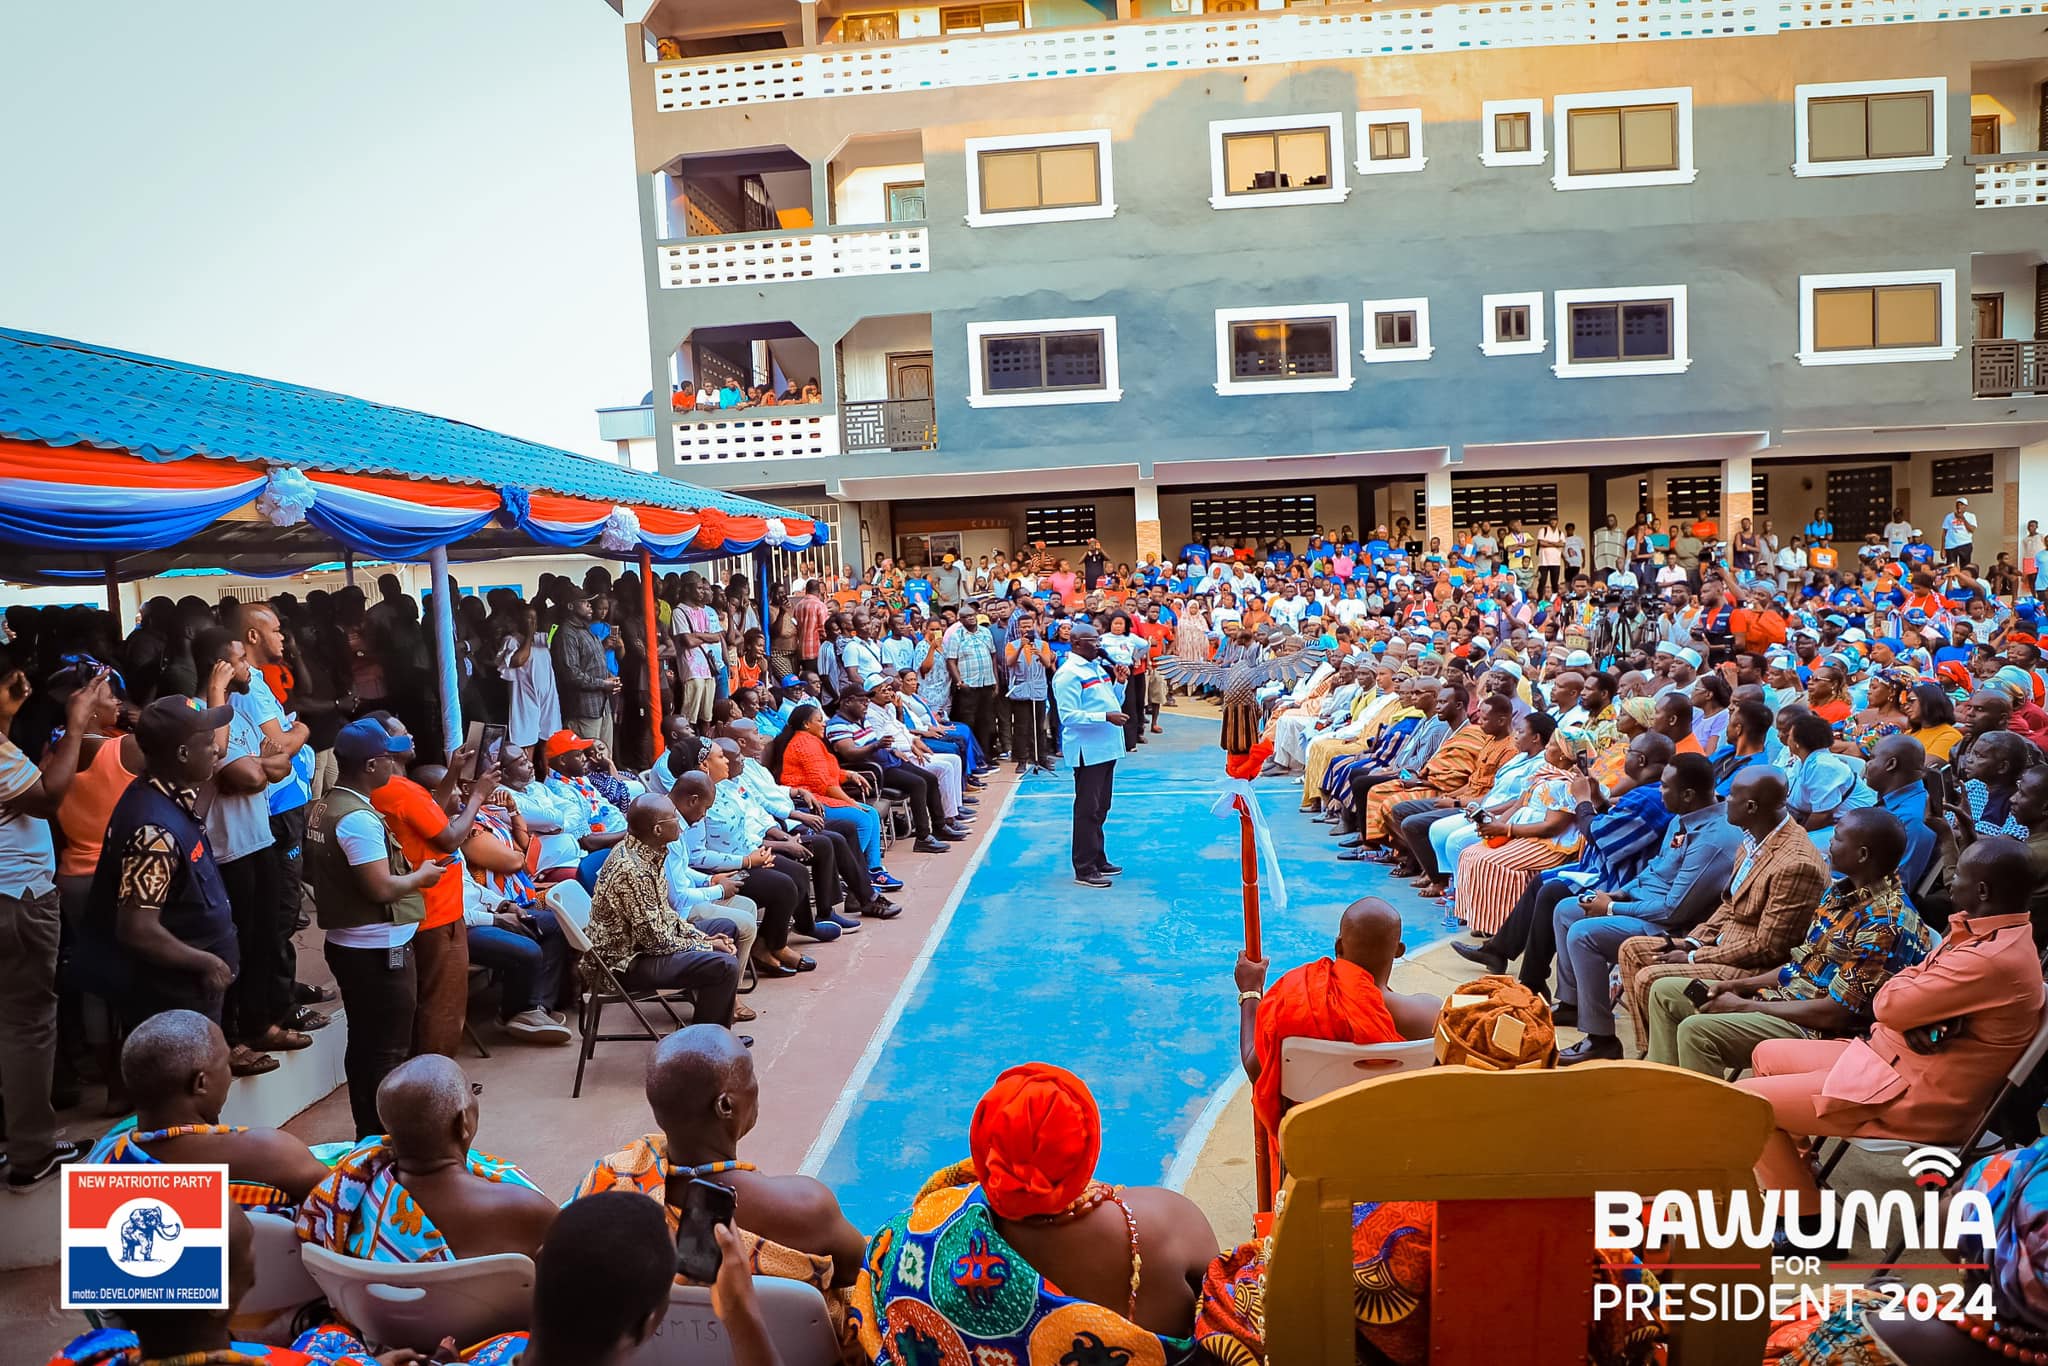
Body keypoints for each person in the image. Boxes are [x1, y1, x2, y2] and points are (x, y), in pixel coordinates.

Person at [1740, 837, 2046, 1239]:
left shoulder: (1991, 957)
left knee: (1749, 1105)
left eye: (1961, 878)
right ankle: (1799, 1184)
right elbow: (1906, 995)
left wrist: (1905, 1008)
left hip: (1915, 1094)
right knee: (1767, 1053)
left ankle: (1806, 1227)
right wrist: (1913, 1010)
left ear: (1983, 891)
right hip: (1888, 1060)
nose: (1950, 885)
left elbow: (1885, 1004)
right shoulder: (1990, 935)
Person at [854, 1063, 1220, 1366]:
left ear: (981, 1152)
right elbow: (1226, 1322)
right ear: (1088, 1150)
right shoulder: (1171, 1223)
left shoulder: (923, 1233)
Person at [575, 1025, 867, 1350]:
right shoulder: (805, 1207)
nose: (756, 1084)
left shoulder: (610, 1179)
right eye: (750, 1072)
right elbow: (866, 1270)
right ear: (725, 1106)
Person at [1646, 807, 1928, 1076]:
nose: (1830, 840)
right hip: (1784, 1002)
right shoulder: (1841, 893)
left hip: (1817, 1031)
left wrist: (1744, 1005)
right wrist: (1738, 986)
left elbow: (1837, 1014)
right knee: (1664, 991)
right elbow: (1799, 966)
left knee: (1697, 1031)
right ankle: (1667, 1094)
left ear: (1862, 854)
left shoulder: (1884, 923)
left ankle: (1703, 1120)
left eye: (1838, 837)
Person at [1612, 766, 1831, 1054]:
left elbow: (1768, 948)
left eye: (1731, 797)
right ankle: (1655, 1051)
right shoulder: (1753, 836)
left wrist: (1693, 956)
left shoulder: (1796, 864)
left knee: (1652, 977)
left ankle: (1666, 1060)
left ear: (1751, 807)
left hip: (1753, 967)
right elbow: (1729, 903)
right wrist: (1692, 940)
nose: (1722, 799)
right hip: (1724, 945)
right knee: (1633, 950)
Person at [1548, 752, 1746, 1062]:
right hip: (1643, 904)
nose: (1659, 791)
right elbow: (1654, 869)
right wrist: (1617, 895)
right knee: (1565, 909)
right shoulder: (1684, 816)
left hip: (1667, 926)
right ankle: (1575, 1005)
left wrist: (1611, 910)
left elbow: (1674, 911)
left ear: (1688, 794)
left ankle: (1600, 1038)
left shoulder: (1714, 839)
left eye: (1665, 787)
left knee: (1583, 933)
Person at [305, 717, 448, 1137]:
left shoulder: (327, 804)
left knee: (364, 1042)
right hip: (376, 949)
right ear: (370, 765)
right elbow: (380, 888)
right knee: (386, 1050)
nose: (394, 763)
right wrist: (421, 877)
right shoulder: (357, 819)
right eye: (388, 757)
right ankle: (383, 1138)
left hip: (353, 942)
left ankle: (368, 1132)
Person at [0, 660, 105, 1188]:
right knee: (26, 1025)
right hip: (15, 897)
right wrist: (79, 722)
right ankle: (31, 1151)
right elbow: (46, 798)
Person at [298, 1054, 557, 1261]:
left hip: (386, 1324)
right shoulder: (524, 1208)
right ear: (463, 1122)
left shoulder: (352, 1200)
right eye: (473, 1092)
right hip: (502, 1325)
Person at [86, 696, 241, 1027]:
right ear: (183, 754)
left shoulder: (169, 797)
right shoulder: (152, 834)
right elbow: (137, 929)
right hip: (173, 1002)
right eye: (209, 743)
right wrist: (206, 963)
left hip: (188, 996)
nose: (216, 750)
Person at [1233, 897, 1440, 1144]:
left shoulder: (1297, 999)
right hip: (1396, 1146)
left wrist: (1250, 991)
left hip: (1316, 1150)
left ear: (1339, 946)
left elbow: (1256, 1070)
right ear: (1399, 950)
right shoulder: (1430, 1014)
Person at [84, 1010, 330, 1210]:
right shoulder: (271, 1152)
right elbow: (347, 1209)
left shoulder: (104, 1159)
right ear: (201, 1083)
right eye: (224, 1063)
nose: (229, 1071)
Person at [371, 730, 499, 1059]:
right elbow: (449, 837)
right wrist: (478, 796)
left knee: (429, 998)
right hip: (436, 910)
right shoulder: (397, 788)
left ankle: (427, 1081)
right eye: (399, 734)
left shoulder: (391, 788)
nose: (409, 737)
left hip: (422, 908)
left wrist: (454, 770)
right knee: (443, 1004)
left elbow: (431, 816)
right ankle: (436, 1088)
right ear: (382, 754)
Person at [586, 793, 744, 1034]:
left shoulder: (648, 850)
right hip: (625, 964)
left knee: (724, 928)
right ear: (658, 829)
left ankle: (707, 1026)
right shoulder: (633, 870)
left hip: (644, 945)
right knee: (724, 964)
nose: (679, 823)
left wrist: (703, 939)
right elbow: (655, 941)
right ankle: (705, 1045)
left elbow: (664, 916)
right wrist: (706, 947)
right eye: (673, 818)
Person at [1054, 624, 1129, 888]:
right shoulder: (1068, 674)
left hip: (1107, 746)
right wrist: (1105, 717)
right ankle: (1084, 867)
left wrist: (1120, 684)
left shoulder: (1095, 668)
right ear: (1076, 643)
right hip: (1089, 751)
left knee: (1101, 807)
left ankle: (1098, 857)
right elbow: (1068, 716)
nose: (1099, 645)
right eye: (1093, 641)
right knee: (1087, 809)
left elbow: (1111, 702)